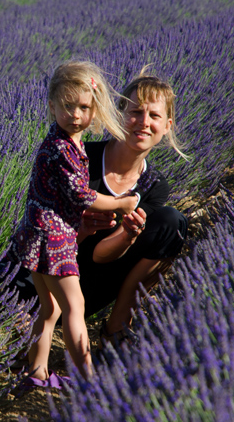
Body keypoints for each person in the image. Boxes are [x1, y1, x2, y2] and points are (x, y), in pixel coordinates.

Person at [8, 60, 139, 384]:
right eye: (68, 107)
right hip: (53, 240)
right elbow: (82, 196)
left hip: (38, 234)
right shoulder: (63, 149)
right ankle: (86, 380)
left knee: (49, 308)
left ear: (94, 110)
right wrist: (121, 203)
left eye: (83, 107)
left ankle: (37, 373)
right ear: (52, 106)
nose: (76, 114)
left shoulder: (67, 141)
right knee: (74, 307)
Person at [76, 70, 189, 348]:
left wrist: (128, 235)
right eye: (135, 112)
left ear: (167, 126)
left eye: (154, 116)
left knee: (173, 225)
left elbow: (100, 256)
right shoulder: (81, 157)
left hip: (92, 284)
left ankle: (116, 329)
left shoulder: (154, 185)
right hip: (47, 278)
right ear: (119, 114)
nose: (143, 122)